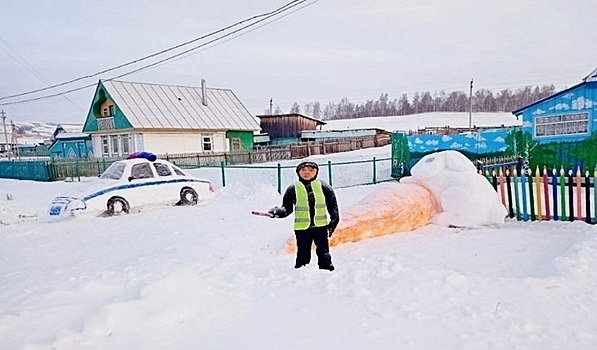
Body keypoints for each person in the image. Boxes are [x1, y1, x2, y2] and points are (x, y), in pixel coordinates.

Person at [268, 161, 339, 271]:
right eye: (303, 170)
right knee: (303, 251)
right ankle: (301, 269)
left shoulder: (324, 187)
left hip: (321, 226)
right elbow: (286, 208)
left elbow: (333, 207)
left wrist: (332, 224)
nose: (307, 173)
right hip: (302, 228)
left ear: (316, 172)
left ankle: (326, 269)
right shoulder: (293, 188)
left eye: (311, 170)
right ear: (298, 172)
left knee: (323, 251)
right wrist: (278, 212)